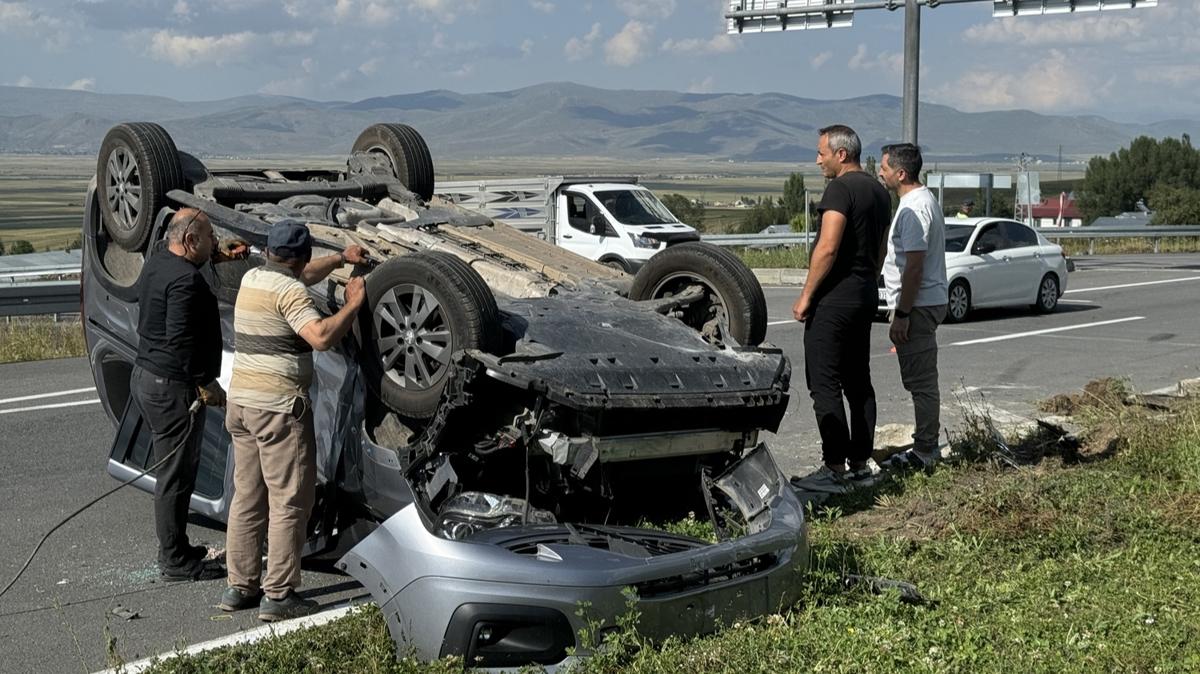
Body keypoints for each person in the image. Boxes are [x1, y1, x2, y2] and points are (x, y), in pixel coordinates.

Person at [218, 219, 367, 621]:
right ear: (299, 257)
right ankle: (279, 594)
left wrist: (338, 259)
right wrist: (353, 303)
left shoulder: (254, 278)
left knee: (248, 498)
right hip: (279, 411)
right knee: (289, 501)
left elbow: (300, 275)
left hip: (242, 406)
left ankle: (240, 586)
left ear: (269, 253)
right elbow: (319, 336)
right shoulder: (291, 291)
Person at [131, 207, 248, 582]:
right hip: (172, 387)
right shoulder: (187, 283)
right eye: (210, 237)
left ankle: (177, 547)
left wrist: (217, 253)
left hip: (147, 377)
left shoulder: (158, 263)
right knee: (175, 476)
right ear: (191, 240)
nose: (215, 242)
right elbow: (181, 340)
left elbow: (186, 255)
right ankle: (175, 562)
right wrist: (206, 384)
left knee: (175, 472)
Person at [791, 125, 891, 489]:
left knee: (824, 381)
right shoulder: (880, 192)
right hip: (864, 292)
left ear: (841, 154)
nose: (818, 160)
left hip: (835, 298)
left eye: (822, 153)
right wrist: (866, 279)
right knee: (858, 380)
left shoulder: (840, 189)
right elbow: (881, 250)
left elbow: (828, 246)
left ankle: (834, 467)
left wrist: (807, 296)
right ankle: (861, 462)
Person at [878, 143, 949, 471]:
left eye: (885, 167)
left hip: (917, 307)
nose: (881, 172)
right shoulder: (919, 201)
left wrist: (903, 314)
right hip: (921, 304)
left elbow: (915, 267)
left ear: (901, 173)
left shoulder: (915, 208)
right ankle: (926, 445)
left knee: (921, 382)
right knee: (919, 380)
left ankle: (925, 452)